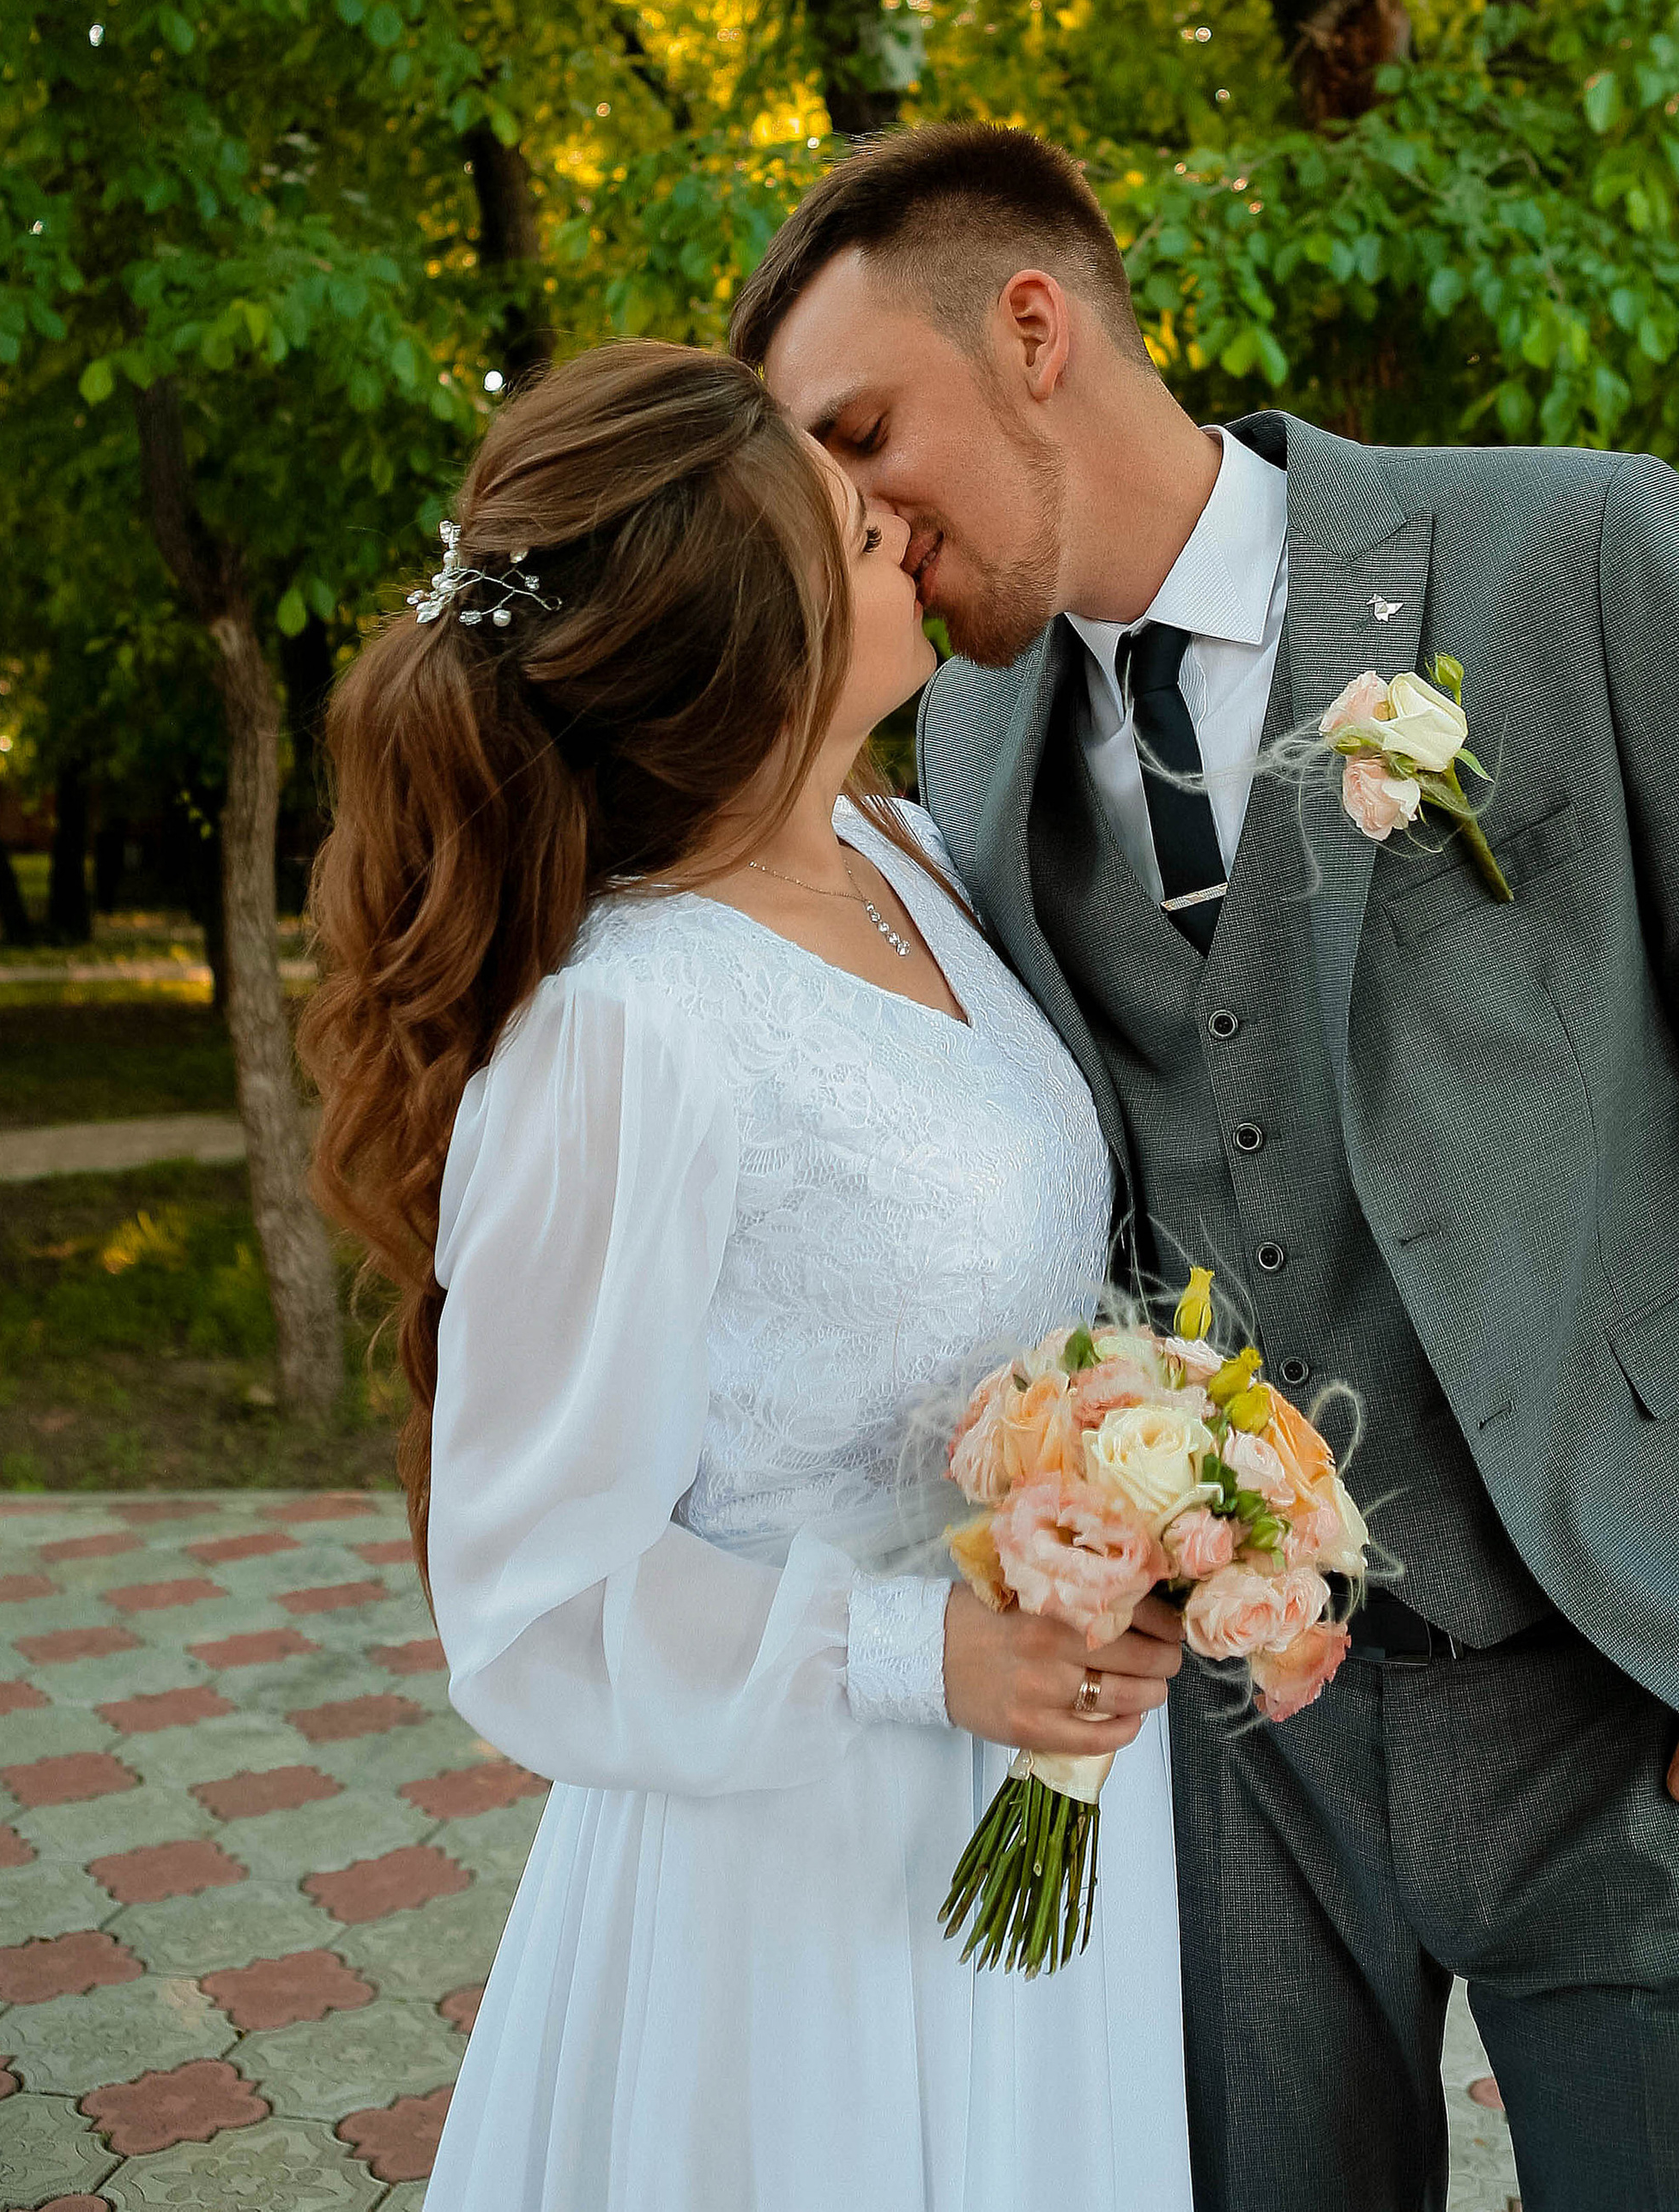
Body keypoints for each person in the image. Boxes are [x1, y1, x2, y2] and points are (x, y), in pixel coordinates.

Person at [731, 119, 1679, 2212]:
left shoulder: (1575, 553)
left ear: (1031, 329)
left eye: (860, 432)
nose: (851, 518)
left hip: (1633, 1679)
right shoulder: (964, 737)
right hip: (1242, 1756)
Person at [304, 341, 1195, 2212]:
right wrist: (925, 1653)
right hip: (799, 1872)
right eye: (843, 519)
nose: (892, 519)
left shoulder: (905, 853)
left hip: (1038, 1794)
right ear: (740, 648)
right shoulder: (625, 1034)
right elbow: (531, 1598)